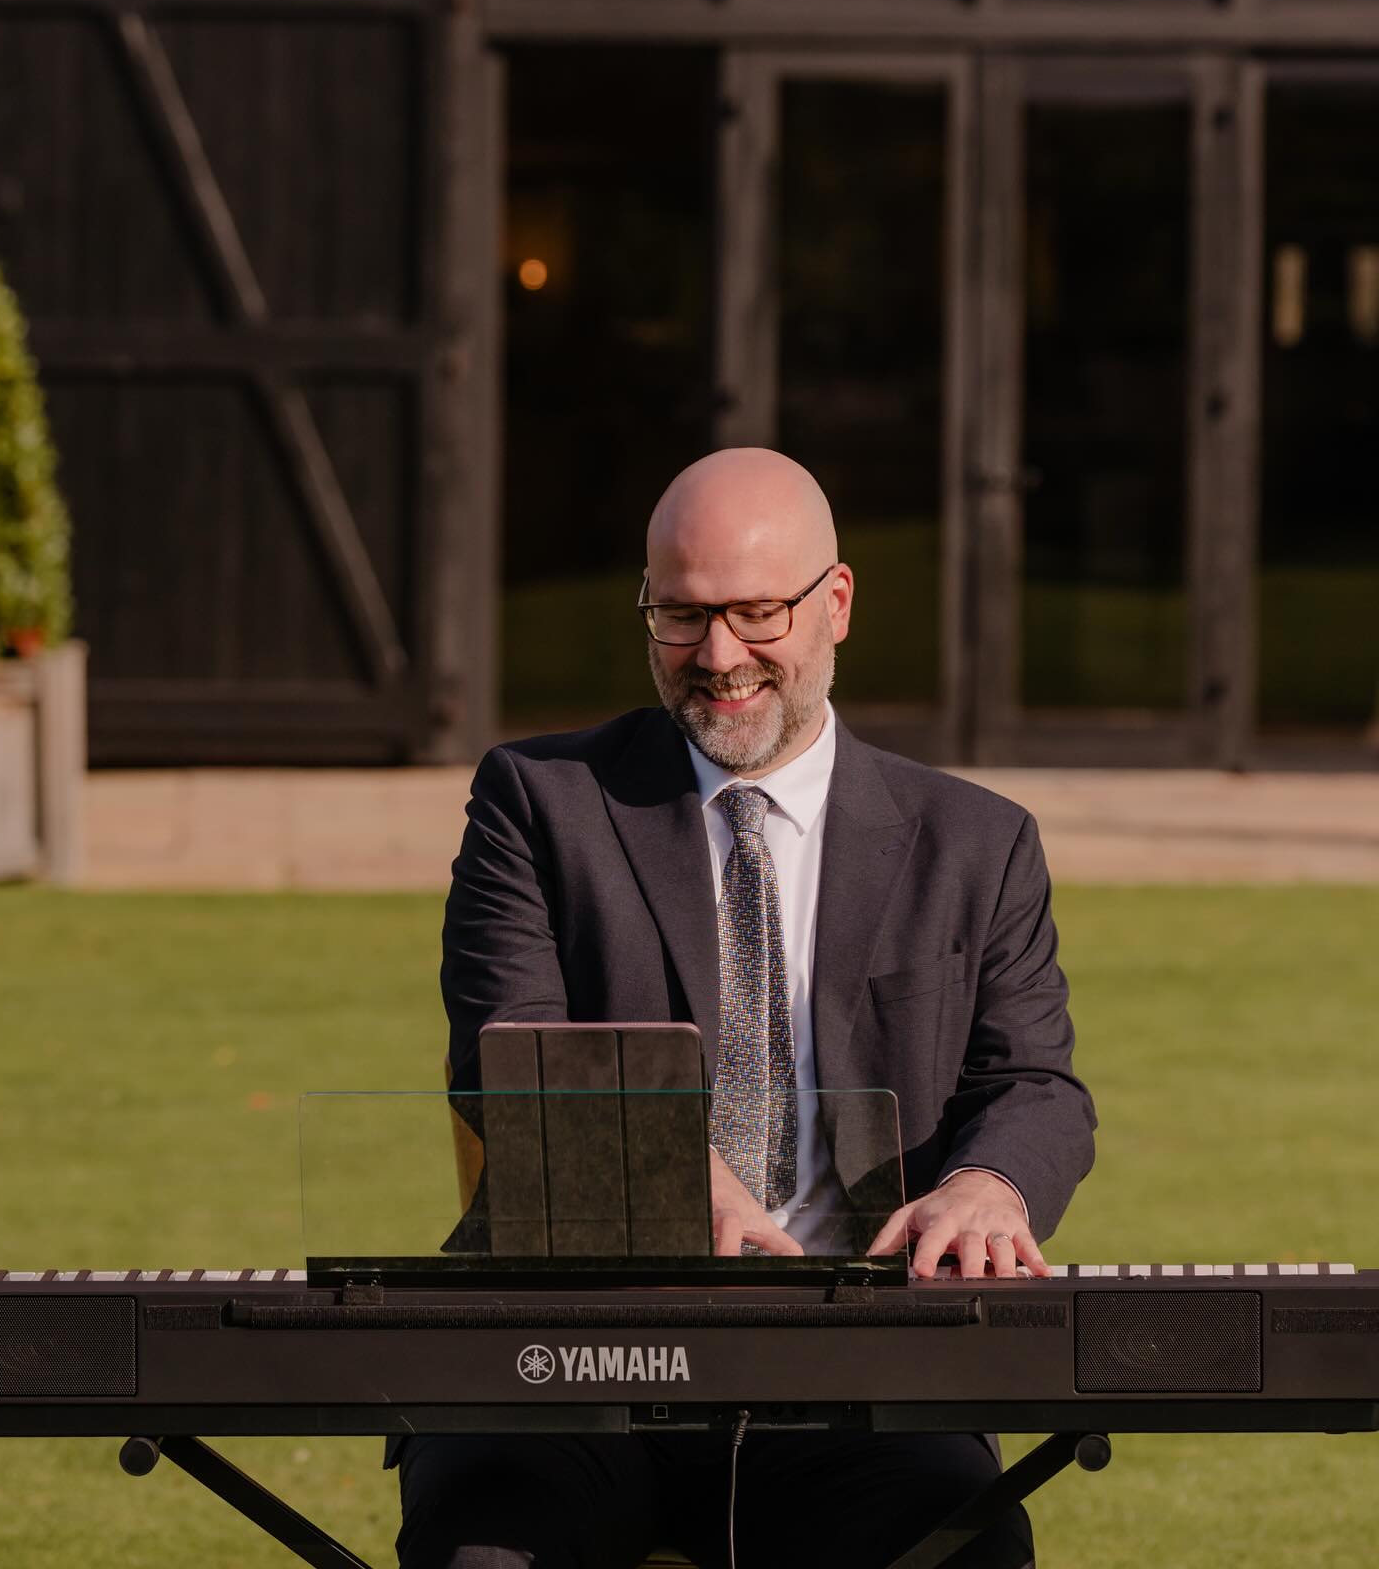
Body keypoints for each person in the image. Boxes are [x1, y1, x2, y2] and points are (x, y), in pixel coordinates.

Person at [393, 448, 1096, 1569]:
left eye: (756, 612)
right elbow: (503, 1054)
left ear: (838, 603)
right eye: (680, 616)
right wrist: (665, 1172)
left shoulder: (978, 842)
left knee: (965, 1550)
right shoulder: (536, 804)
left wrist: (987, 1184)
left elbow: (1035, 1084)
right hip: (571, 1362)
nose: (719, 658)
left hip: (853, 1372)